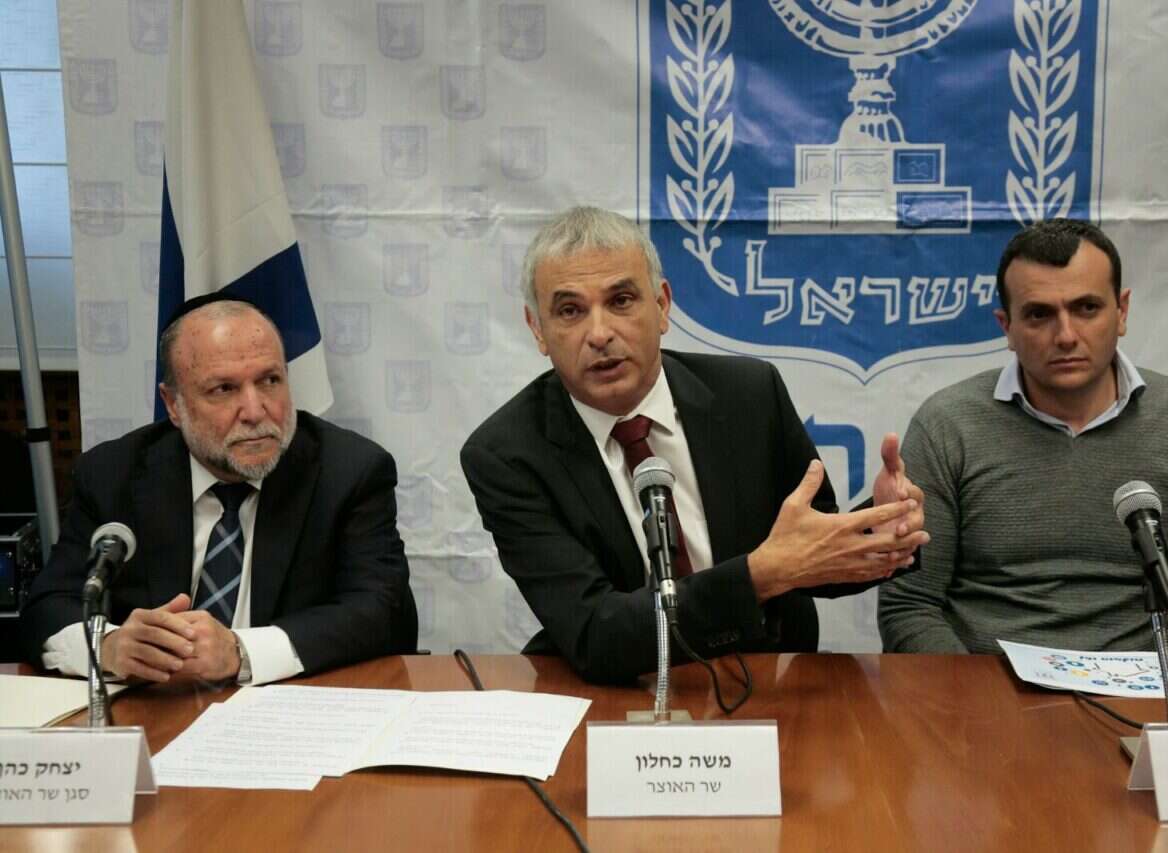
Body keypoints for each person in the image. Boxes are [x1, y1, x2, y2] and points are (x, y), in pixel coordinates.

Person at [461, 206, 929, 683]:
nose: (599, 334)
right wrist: (758, 576)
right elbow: (594, 633)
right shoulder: (508, 454)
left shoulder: (749, 395)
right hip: (621, 688)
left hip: (765, 676)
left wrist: (880, 527)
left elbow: (814, 553)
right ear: (537, 329)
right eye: (570, 311)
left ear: (662, 306)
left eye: (621, 300)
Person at [878, 219, 1168, 655]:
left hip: (1146, 686)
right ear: (1006, 327)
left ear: (1122, 312)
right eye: (1039, 314)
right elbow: (910, 607)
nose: (1066, 336)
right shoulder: (947, 425)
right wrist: (974, 694)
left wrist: (1159, 690)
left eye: (1087, 308)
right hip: (985, 686)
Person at [21, 295, 417, 684]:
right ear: (173, 404)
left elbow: (383, 612)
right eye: (224, 389)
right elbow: (48, 608)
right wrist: (107, 646)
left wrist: (241, 651)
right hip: (158, 706)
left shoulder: (349, 471)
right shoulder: (114, 474)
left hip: (292, 704)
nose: (255, 412)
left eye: (270, 380)